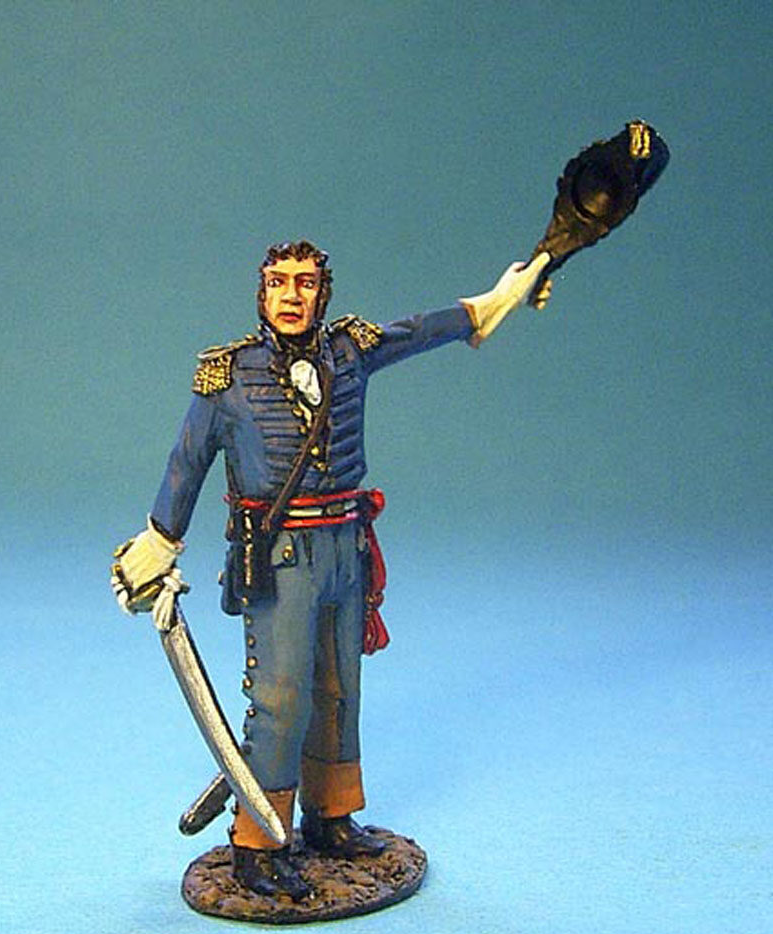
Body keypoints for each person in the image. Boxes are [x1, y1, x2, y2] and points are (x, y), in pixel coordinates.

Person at [112, 239, 550, 900]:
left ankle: (332, 816)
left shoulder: (351, 351)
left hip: (346, 546)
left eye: (306, 283)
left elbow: (425, 330)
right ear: (261, 292)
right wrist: (158, 541)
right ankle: (258, 843)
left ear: (324, 292)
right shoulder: (226, 376)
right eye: (279, 282)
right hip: (281, 558)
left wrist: (498, 299)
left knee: (340, 688)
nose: (291, 296)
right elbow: (187, 461)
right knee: (281, 699)